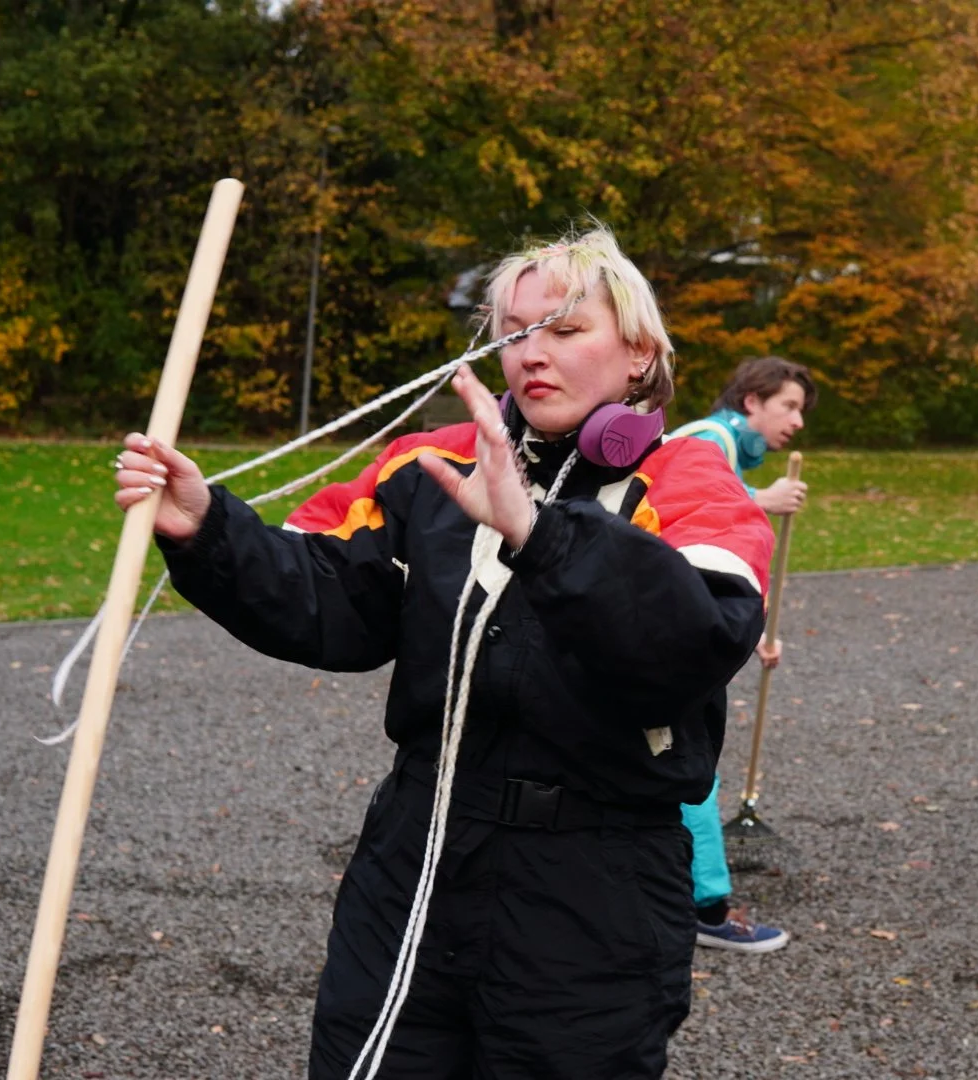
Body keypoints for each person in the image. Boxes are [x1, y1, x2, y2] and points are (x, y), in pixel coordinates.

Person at [112, 226, 774, 1078]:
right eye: (513, 333)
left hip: (593, 891)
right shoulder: (430, 467)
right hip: (415, 864)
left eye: (566, 331)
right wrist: (207, 529)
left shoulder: (691, 483)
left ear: (640, 354)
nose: (534, 354)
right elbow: (332, 599)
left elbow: (693, 642)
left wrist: (538, 534)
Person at [668, 356, 815, 952]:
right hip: (667, 631)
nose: (798, 422)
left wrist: (750, 629)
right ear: (751, 400)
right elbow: (690, 517)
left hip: (673, 617)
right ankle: (706, 905)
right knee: (690, 761)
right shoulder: (709, 440)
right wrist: (761, 497)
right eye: (789, 406)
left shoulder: (720, 444)